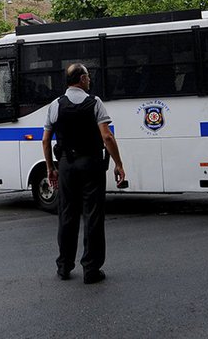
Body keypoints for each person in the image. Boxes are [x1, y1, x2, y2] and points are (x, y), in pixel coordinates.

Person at [41, 63, 126, 285]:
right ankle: (91, 269)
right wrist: (118, 164)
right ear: (81, 79)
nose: (89, 80)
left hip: (66, 165)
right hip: (91, 164)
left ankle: (64, 266)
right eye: (87, 76)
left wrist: (51, 168)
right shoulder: (95, 102)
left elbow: (46, 140)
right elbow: (107, 137)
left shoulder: (55, 105)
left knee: (67, 214)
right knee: (93, 215)